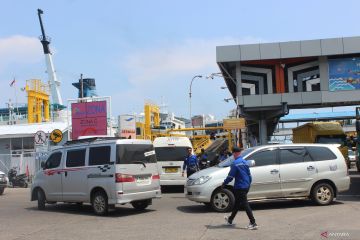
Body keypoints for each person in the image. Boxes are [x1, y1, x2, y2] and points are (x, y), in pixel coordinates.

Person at [222, 147, 258, 230]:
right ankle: (230, 220)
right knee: (237, 203)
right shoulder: (245, 162)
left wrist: (224, 183)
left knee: (245, 204)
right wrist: (248, 183)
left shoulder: (235, 163)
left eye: (233, 153)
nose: (233, 155)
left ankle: (253, 223)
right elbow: (249, 175)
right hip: (246, 185)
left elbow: (230, 176)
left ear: (234, 153)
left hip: (240, 187)